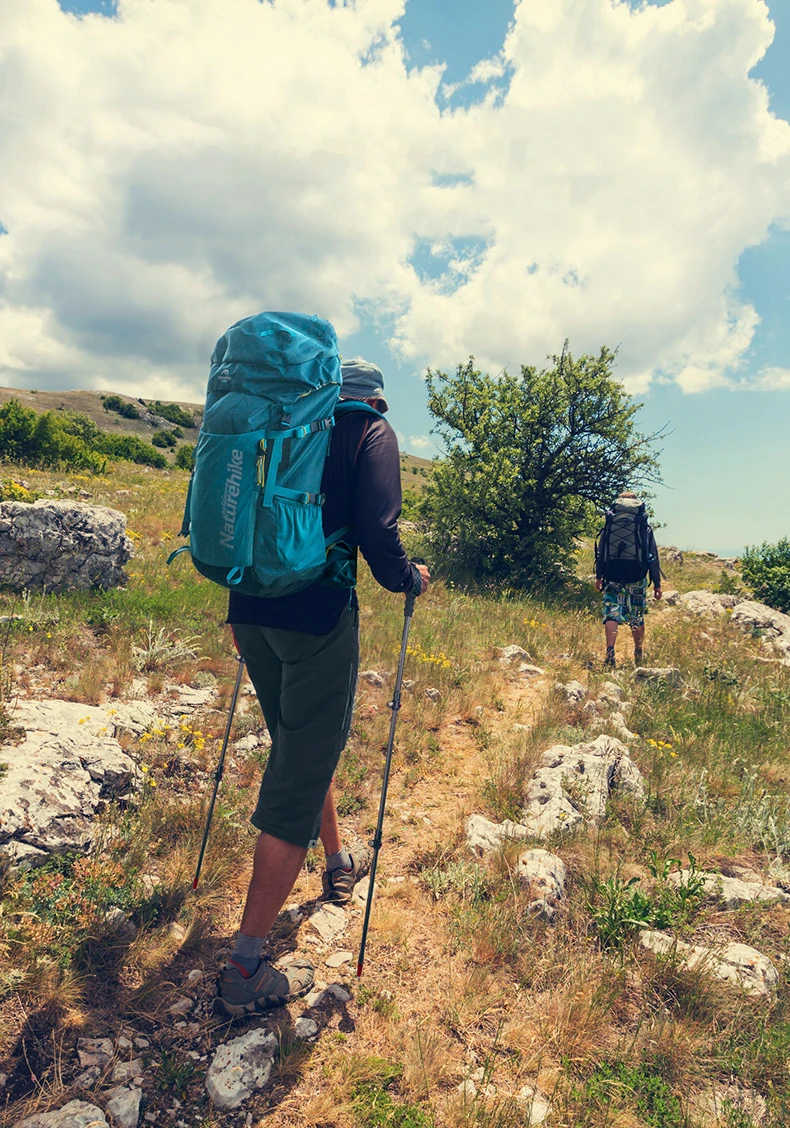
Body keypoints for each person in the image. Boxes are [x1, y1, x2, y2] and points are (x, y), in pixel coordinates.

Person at [214, 357, 430, 1018]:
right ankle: (247, 965)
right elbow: (378, 530)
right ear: (377, 399)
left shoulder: (286, 424)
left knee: (300, 744)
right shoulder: (370, 432)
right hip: (317, 616)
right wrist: (408, 578)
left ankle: (338, 860)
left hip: (250, 605)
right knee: (298, 770)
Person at [594, 491, 662, 669]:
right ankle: (638, 651)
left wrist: (599, 576)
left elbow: (601, 552)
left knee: (612, 613)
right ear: (637, 505)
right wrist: (657, 583)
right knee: (637, 616)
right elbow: (652, 556)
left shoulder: (610, 524)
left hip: (613, 575)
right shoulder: (643, 526)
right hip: (636, 576)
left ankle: (610, 653)